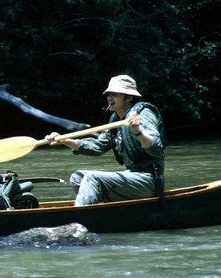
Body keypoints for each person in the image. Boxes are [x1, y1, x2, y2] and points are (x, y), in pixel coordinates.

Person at [44, 75, 165, 206]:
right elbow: (97, 146)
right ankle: (95, 212)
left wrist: (137, 130)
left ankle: (79, 218)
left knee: (92, 178)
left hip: (149, 180)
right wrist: (65, 140)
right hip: (131, 175)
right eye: (108, 94)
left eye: (115, 94)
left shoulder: (143, 113)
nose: (109, 98)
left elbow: (155, 148)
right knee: (78, 177)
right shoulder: (116, 119)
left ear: (129, 98)